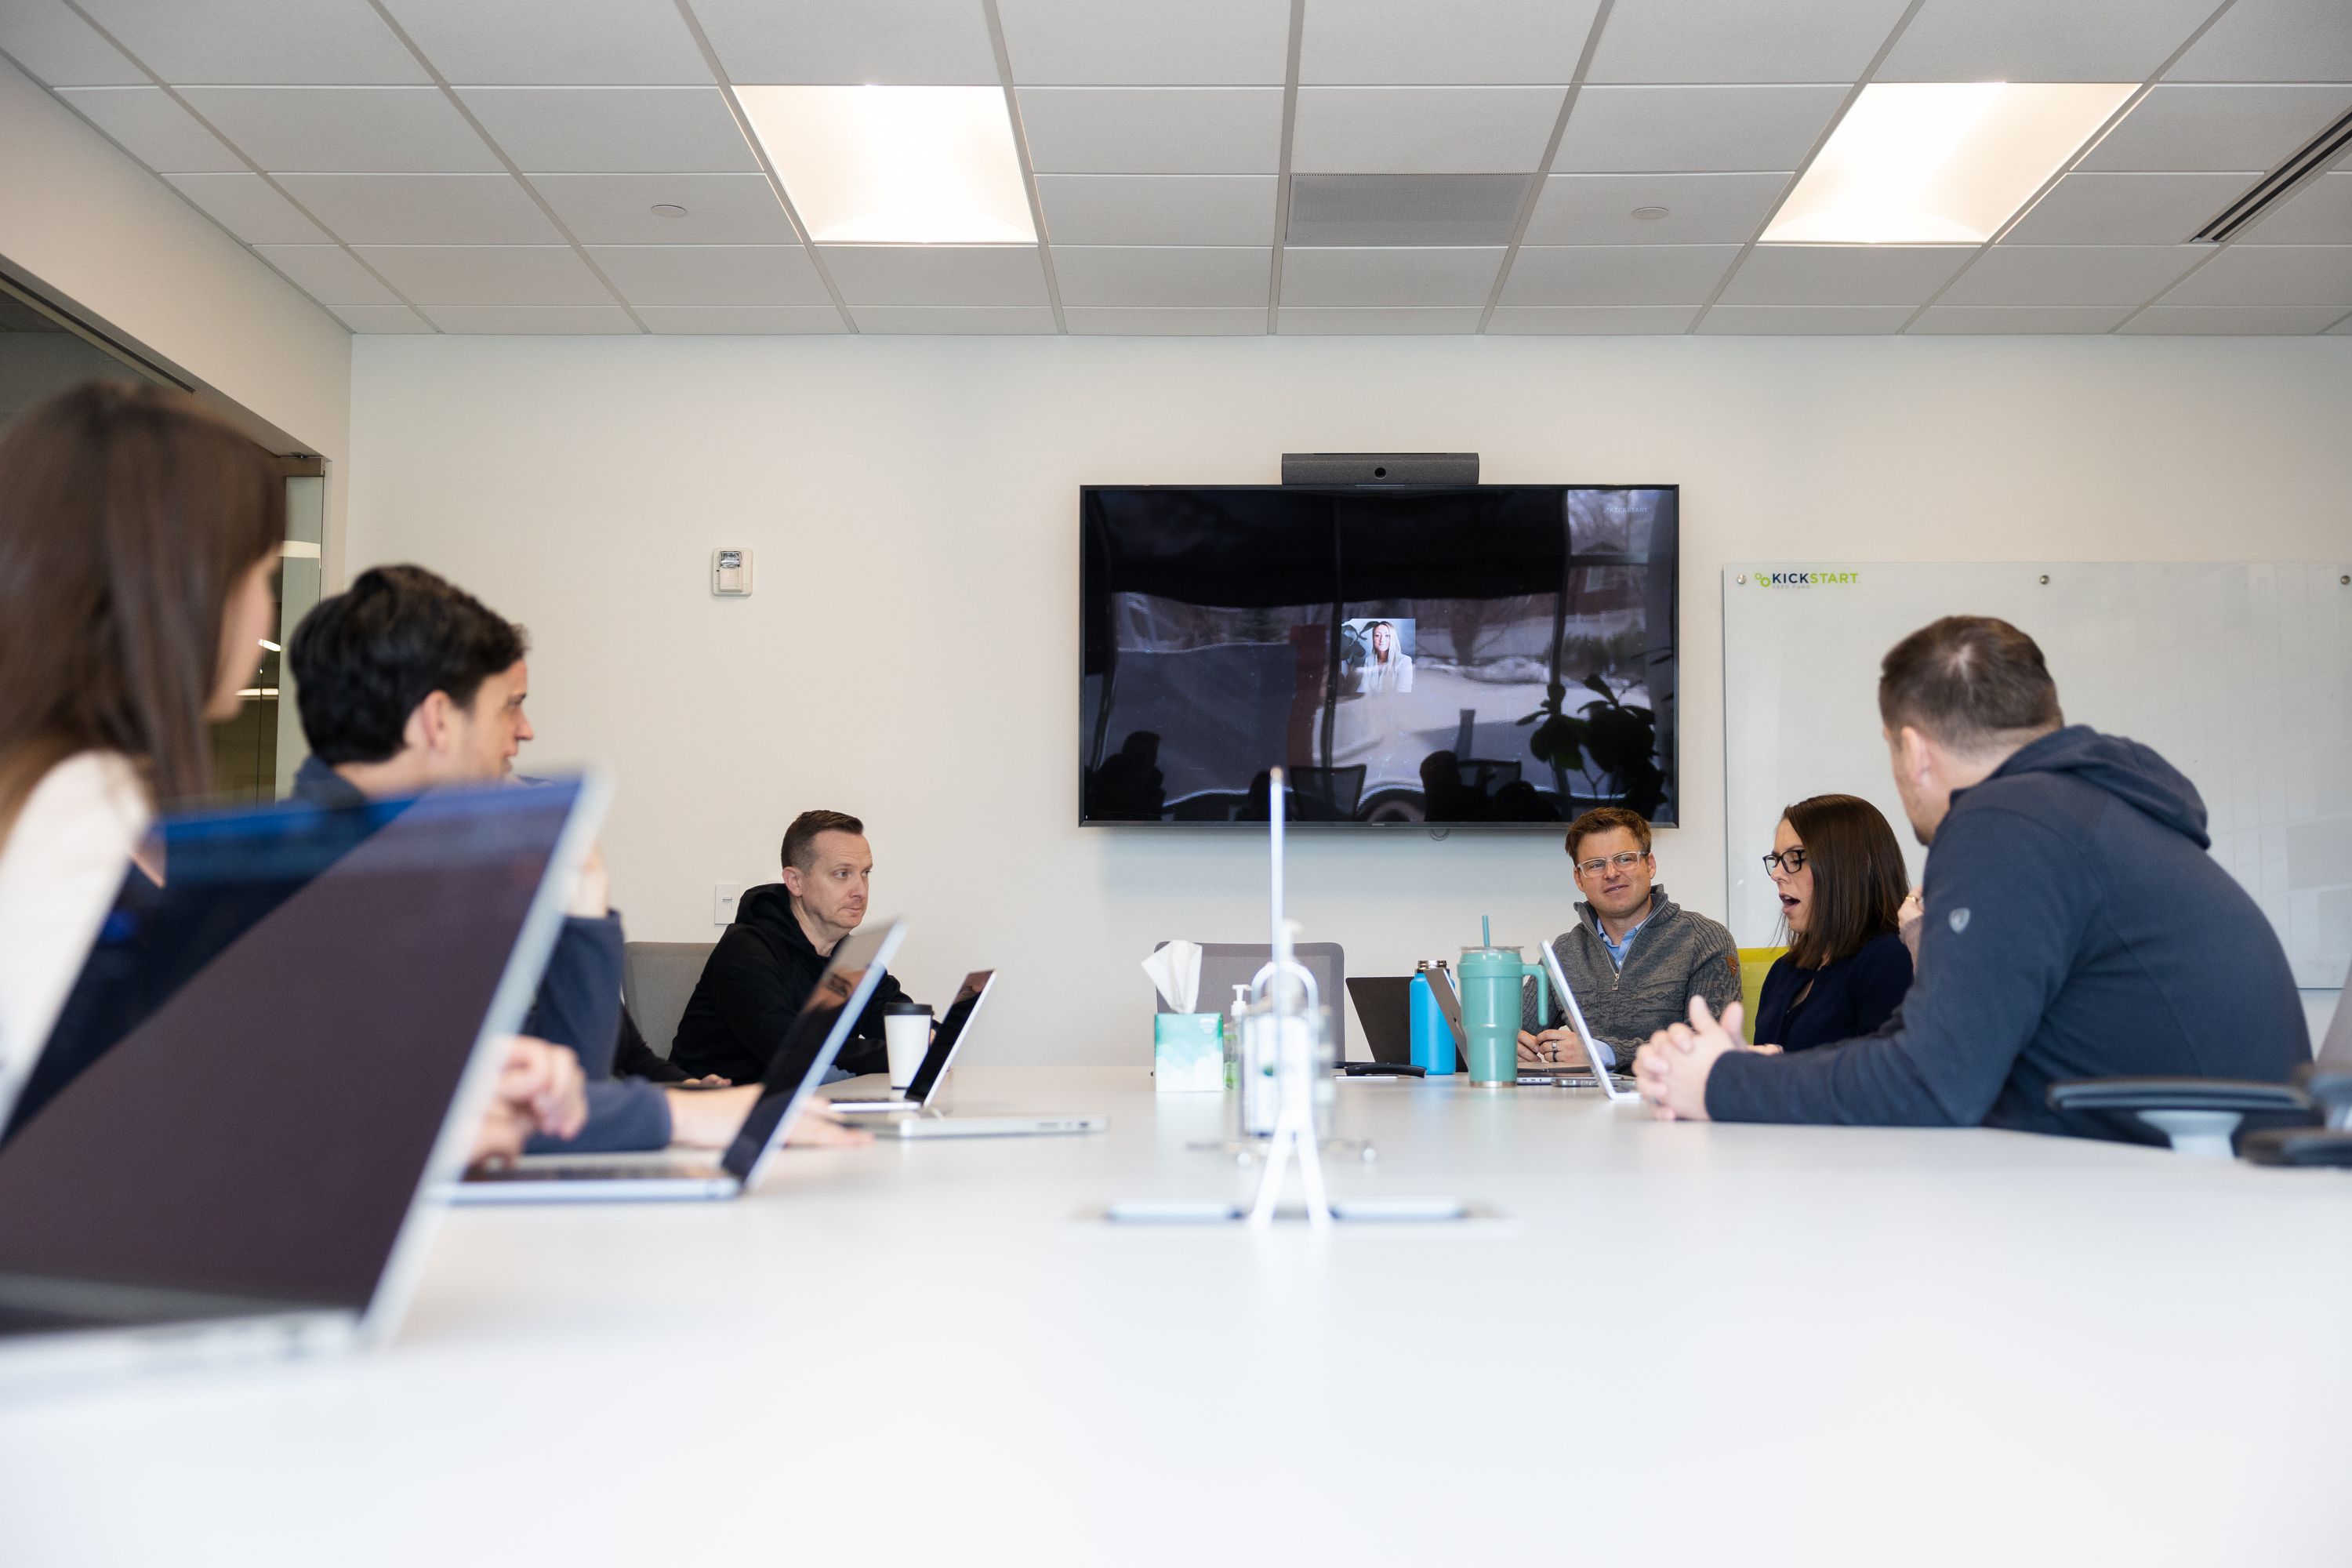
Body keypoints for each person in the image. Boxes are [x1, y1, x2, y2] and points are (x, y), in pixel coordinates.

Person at [0, 382, 575, 1165]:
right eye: (261, 576)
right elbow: (116, 1153)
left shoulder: (82, 807)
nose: (267, 613)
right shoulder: (66, 827)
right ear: (182, 592)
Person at [1635, 615, 2308, 1142]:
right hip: (2204, 1179)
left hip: (2173, 1213)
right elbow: (1920, 1045)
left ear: (1914, 751)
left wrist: (1723, 1085)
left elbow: (1931, 1083)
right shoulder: (2089, 813)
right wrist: (1759, 1069)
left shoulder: (2006, 822)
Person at [286, 565, 858, 1151]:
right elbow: (413, 1127)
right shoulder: (312, 889)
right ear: (439, 721)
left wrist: (582, 902)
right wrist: (679, 1116)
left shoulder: (414, 870)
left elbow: (563, 1090)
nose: (526, 731)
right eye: (509, 707)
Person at [671, 809, 915, 1087]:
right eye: (842, 874)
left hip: (808, 1103)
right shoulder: (746, 950)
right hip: (723, 1111)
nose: (860, 890)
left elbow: (905, 1027)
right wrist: (907, 1050)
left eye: (865, 873)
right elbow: (791, 1051)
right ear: (795, 882)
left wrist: (941, 1025)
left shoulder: (853, 957)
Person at [1518, 807, 1740, 1071]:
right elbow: (1517, 1029)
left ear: (1650, 864)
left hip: (1669, 1103)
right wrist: (1512, 1042)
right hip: (1580, 1107)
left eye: (1624, 859)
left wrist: (1603, 1053)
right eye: (1596, 865)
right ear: (1579, 878)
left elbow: (1707, 1047)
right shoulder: (1564, 952)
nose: (1611, 873)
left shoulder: (1705, 940)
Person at [1751, 793, 1913, 1051]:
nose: (1777, 874)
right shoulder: (1783, 971)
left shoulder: (1889, 960)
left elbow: (1888, 1083)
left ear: (1847, 867)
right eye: (1777, 860)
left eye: (1795, 858)